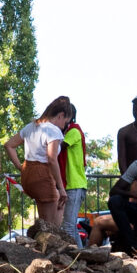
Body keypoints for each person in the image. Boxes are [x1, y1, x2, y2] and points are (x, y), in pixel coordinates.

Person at [4, 101, 70, 240]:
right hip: (43, 174)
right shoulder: (53, 130)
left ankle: (52, 244)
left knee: (59, 202)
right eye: (65, 121)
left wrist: (21, 167)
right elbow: (52, 159)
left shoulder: (31, 126)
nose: (65, 126)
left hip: (28, 173)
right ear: (60, 115)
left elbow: (9, 145)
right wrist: (61, 187)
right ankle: (46, 254)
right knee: (48, 227)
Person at [58, 101, 89, 244]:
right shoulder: (69, 132)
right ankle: (80, 255)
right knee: (70, 225)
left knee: (68, 226)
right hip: (70, 185)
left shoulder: (74, 132)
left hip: (75, 184)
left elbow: (59, 147)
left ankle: (72, 260)